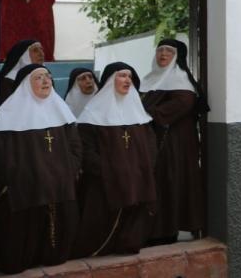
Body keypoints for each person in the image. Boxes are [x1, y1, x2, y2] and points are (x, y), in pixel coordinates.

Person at [0, 64, 80, 274]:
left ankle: (53, 257)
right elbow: (1, 153)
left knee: (58, 227)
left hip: (59, 183)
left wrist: (72, 168)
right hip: (25, 185)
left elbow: (75, 145)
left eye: (48, 77)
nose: (46, 81)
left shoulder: (61, 111)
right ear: (25, 84)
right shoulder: (7, 116)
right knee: (23, 230)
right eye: (39, 77)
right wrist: (15, 175)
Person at [72, 62, 156, 257]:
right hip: (104, 182)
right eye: (122, 76)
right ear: (110, 81)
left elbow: (150, 141)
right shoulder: (92, 114)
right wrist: (106, 170)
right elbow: (87, 149)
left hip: (137, 176)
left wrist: (147, 165)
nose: (127, 80)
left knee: (135, 218)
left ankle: (129, 246)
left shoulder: (139, 112)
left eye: (129, 76)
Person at [140, 39, 205, 243]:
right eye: (160, 50)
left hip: (175, 142)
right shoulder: (151, 78)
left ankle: (167, 230)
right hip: (157, 139)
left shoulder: (180, 80)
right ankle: (156, 228)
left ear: (177, 57)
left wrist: (147, 113)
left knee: (170, 180)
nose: (163, 54)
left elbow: (182, 103)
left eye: (169, 51)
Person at [0, 39, 45, 108]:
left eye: (41, 50)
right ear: (24, 56)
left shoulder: (46, 78)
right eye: (35, 50)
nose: (41, 54)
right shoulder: (9, 81)